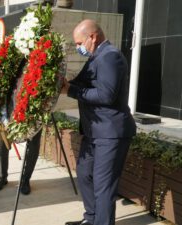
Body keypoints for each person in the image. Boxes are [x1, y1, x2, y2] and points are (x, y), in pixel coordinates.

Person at [62, 20, 136, 225]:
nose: (78, 48)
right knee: (85, 173)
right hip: (95, 131)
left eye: (79, 43)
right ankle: (92, 218)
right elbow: (80, 82)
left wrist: (70, 90)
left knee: (104, 186)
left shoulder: (110, 56)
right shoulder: (96, 56)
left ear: (92, 37)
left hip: (111, 132)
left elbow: (106, 95)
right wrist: (58, 82)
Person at [0, 48, 42, 195]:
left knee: (33, 144)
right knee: (2, 144)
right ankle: (2, 177)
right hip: (5, 116)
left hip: (29, 110)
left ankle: (25, 180)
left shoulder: (12, 64)